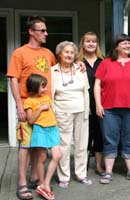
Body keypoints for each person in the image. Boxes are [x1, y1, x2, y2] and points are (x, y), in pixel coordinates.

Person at [7, 16, 56, 200]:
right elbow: (13, 79)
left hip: (45, 108)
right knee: (26, 146)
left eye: (45, 30)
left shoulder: (48, 53)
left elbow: (60, 69)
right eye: (42, 30)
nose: (46, 33)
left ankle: (35, 177)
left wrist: (80, 65)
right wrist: (19, 105)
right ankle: (21, 183)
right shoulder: (19, 53)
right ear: (31, 31)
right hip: (28, 106)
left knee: (39, 146)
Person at [94, 33, 130, 184]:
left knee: (129, 140)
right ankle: (108, 172)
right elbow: (97, 85)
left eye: (129, 43)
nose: (127, 45)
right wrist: (98, 104)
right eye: (123, 43)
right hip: (109, 108)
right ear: (116, 46)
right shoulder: (106, 63)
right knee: (110, 140)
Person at [51, 41, 92, 188]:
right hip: (62, 112)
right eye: (66, 52)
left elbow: (86, 89)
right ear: (59, 54)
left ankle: (81, 174)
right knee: (64, 145)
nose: (69, 55)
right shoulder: (52, 71)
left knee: (82, 144)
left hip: (81, 111)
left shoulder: (80, 69)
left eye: (72, 52)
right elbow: (50, 94)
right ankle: (64, 177)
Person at [24, 74, 62, 200]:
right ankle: (42, 184)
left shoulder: (47, 97)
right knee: (42, 157)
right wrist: (40, 108)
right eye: (42, 86)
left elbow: (51, 112)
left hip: (52, 129)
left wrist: (56, 122)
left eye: (45, 86)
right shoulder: (29, 101)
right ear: (34, 87)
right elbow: (30, 120)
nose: (45, 89)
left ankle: (45, 183)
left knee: (57, 155)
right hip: (40, 130)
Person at [77, 32, 105, 176]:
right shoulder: (77, 62)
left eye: (93, 41)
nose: (90, 44)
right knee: (85, 136)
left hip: (101, 104)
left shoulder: (103, 61)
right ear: (82, 43)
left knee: (99, 135)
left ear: (97, 44)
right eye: (87, 41)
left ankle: (99, 166)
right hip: (83, 104)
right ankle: (83, 167)